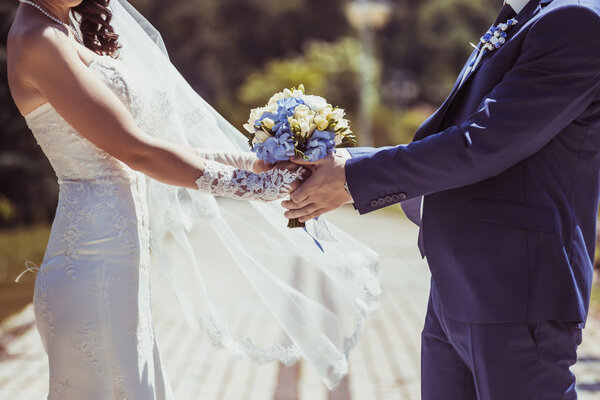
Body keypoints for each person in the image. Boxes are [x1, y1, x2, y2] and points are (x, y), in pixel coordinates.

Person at [6, 0, 381, 398]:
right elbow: (138, 152)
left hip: (120, 262)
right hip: (90, 260)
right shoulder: (38, 39)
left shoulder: (67, 30)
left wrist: (258, 166)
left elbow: (160, 145)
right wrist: (254, 187)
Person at [284, 0, 600, 399]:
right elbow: (456, 135)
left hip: (518, 295)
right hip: (453, 287)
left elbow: (482, 144)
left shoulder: (577, 21)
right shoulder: (521, 16)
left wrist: (352, 180)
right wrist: (347, 161)